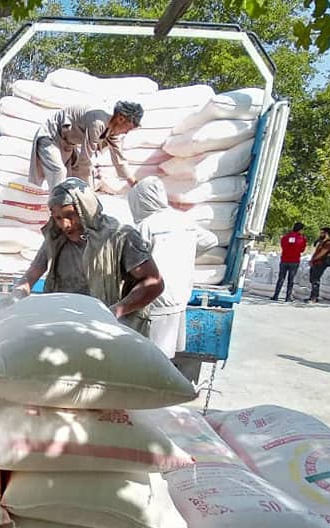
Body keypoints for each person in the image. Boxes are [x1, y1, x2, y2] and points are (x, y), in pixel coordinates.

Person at [10, 177, 165, 334]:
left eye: (70, 215)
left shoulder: (120, 237)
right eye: (57, 218)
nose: (65, 225)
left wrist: (115, 311)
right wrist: (17, 295)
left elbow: (154, 283)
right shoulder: (56, 240)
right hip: (67, 328)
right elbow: (32, 274)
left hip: (111, 331)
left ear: (86, 210)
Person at [126, 176, 203, 358]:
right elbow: (210, 241)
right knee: (166, 358)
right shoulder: (185, 221)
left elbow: (136, 262)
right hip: (179, 299)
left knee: (150, 358)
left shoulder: (146, 226)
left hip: (155, 303)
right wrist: (185, 255)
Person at [28, 101, 144, 194]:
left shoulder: (113, 131)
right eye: (128, 128)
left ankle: (69, 206)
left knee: (73, 177)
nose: (127, 132)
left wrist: (134, 184)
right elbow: (86, 159)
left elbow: (120, 159)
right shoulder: (98, 122)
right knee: (58, 172)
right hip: (51, 137)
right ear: (121, 119)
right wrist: (89, 192)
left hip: (68, 144)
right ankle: (57, 211)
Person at [271, 222, 307, 302]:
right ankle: (288, 297)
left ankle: (276, 295)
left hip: (284, 260)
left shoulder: (285, 237)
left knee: (281, 278)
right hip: (294, 261)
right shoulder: (302, 239)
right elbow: (302, 250)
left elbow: (282, 246)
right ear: (300, 230)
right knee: (291, 280)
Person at [307, 226, 330, 303]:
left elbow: (322, 253)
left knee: (316, 280)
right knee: (312, 279)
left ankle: (314, 297)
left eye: (322, 233)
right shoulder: (322, 241)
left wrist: (313, 260)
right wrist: (312, 260)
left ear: (326, 233)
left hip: (321, 263)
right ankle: (312, 296)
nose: (320, 234)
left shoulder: (329, 243)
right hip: (316, 262)